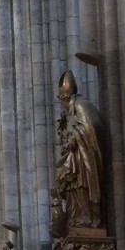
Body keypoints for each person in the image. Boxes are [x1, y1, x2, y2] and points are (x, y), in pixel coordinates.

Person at [55, 70, 104, 229]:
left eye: (62, 99)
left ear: (65, 97)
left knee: (80, 186)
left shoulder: (81, 106)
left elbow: (90, 129)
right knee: (72, 186)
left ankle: (87, 219)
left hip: (83, 162)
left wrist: (74, 137)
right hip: (76, 161)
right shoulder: (72, 110)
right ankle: (78, 219)